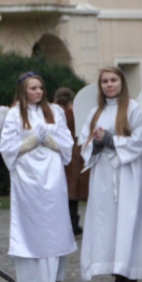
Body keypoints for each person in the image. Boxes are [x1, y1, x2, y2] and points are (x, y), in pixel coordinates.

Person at [0, 72, 77, 282]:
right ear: (24, 90)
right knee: (30, 225)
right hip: (27, 177)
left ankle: (54, 279)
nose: (38, 92)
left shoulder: (55, 111)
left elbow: (66, 141)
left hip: (52, 175)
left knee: (54, 224)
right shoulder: (14, 114)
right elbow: (7, 145)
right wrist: (31, 141)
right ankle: (32, 281)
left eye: (41, 88)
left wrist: (51, 142)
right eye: (33, 88)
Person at [78, 66, 142, 282]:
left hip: (128, 174)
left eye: (113, 80)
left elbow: (141, 140)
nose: (109, 85)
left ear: (121, 83)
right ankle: (116, 274)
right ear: (100, 86)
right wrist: (97, 143)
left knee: (128, 222)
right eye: (105, 81)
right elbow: (84, 143)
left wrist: (113, 141)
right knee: (107, 224)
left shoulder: (134, 108)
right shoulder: (95, 113)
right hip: (103, 175)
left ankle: (129, 275)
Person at [54, 87, 89, 235]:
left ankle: (69, 224)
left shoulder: (55, 114)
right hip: (78, 156)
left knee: (67, 195)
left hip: (64, 157)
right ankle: (74, 223)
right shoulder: (76, 113)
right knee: (72, 195)